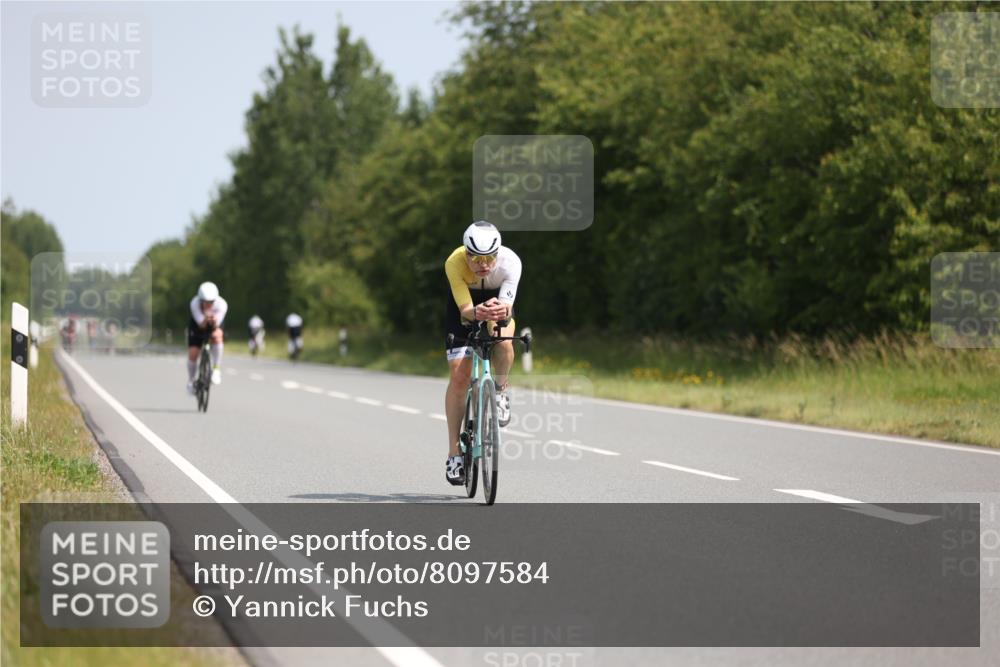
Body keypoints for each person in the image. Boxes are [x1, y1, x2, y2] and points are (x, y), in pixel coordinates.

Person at [443, 221, 522, 485]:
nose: (484, 264)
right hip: (464, 307)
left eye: (489, 257)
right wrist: (475, 312)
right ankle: (454, 453)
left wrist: (500, 312)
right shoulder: (454, 263)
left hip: (497, 302)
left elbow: (507, 309)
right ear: (466, 253)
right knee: (458, 376)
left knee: (504, 340)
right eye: (476, 258)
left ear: (498, 252)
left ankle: (499, 392)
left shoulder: (511, 263)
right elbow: (465, 310)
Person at [186, 281, 228, 395]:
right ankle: (191, 380)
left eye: (211, 302)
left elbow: (217, 324)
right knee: (193, 353)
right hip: (198, 325)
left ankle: (216, 369)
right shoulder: (194, 303)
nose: (208, 304)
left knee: (217, 335)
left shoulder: (222, 304)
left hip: (215, 324)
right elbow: (201, 324)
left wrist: (213, 320)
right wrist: (206, 318)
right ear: (200, 300)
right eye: (205, 302)